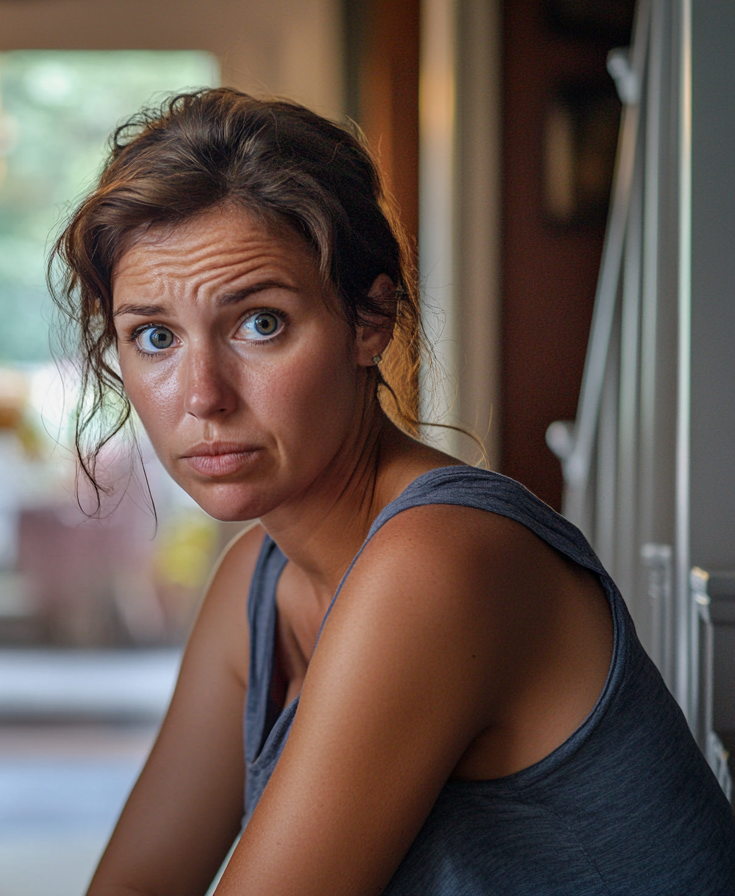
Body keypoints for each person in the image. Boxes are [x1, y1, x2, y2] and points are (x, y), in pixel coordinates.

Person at [51, 88, 735, 896]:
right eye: (155, 337)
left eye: (259, 323)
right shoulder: (255, 582)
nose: (202, 395)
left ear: (370, 320)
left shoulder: (441, 559)